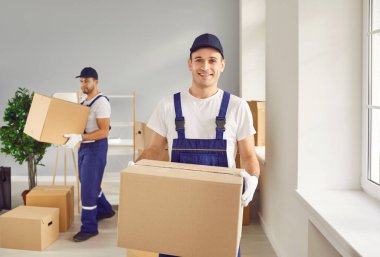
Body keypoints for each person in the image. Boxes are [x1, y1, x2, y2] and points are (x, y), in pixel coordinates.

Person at [137, 33, 260, 257]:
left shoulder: (237, 106)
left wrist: (253, 180)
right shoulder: (168, 105)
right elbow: (153, 150)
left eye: (212, 60)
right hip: (178, 208)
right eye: (199, 59)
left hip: (221, 208)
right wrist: (137, 171)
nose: (205, 66)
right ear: (189, 64)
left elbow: (249, 155)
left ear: (222, 65)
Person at [64, 67, 115, 242]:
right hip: (84, 147)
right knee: (87, 182)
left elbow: (104, 132)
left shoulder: (101, 103)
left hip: (96, 147)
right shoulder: (84, 101)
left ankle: (89, 227)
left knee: (87, 188)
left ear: (96, 82)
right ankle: (105, 210)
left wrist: (81, 136)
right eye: (81, 81)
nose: (83, 84)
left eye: (87, 81)